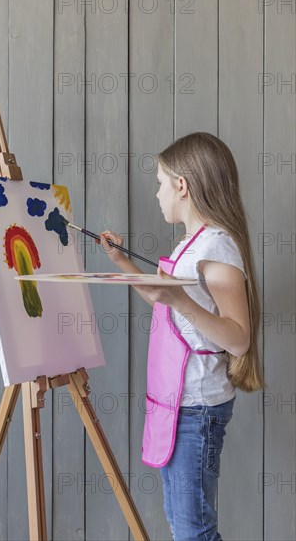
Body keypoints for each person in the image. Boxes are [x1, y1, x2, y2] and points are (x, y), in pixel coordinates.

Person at [98, 132, 266, 540]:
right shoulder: (192, 244)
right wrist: (121, 261)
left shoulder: (217, 246)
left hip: (198, 409)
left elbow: (239, 338)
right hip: (180, 405)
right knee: (183, 526)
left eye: (160, 182)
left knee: (194, 531)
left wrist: (181, 301)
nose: (156, 193)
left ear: (182, 186)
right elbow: (165, 302)